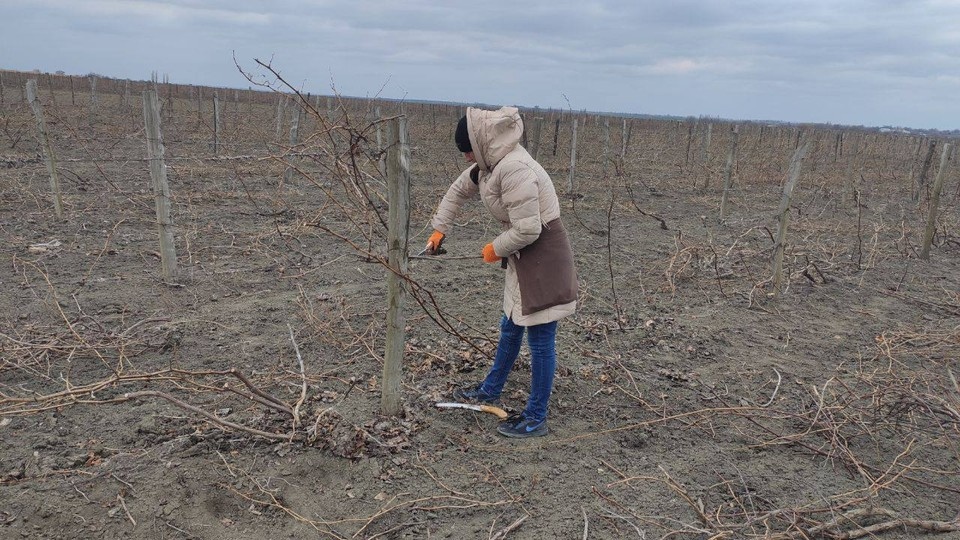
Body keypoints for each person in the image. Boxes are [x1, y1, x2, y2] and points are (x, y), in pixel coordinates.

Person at [424, 106, 578, 438]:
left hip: (543, 259)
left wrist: (496, 248)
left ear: (478, 145)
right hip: (523, 258)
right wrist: (439, 230)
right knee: (510, 327)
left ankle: (536, 418)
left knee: (540, 340)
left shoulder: (515, 169)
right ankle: (490, 389)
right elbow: (456, 192)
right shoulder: (488, 167)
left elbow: (528, 230)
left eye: (467, 150)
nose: (465, 158)